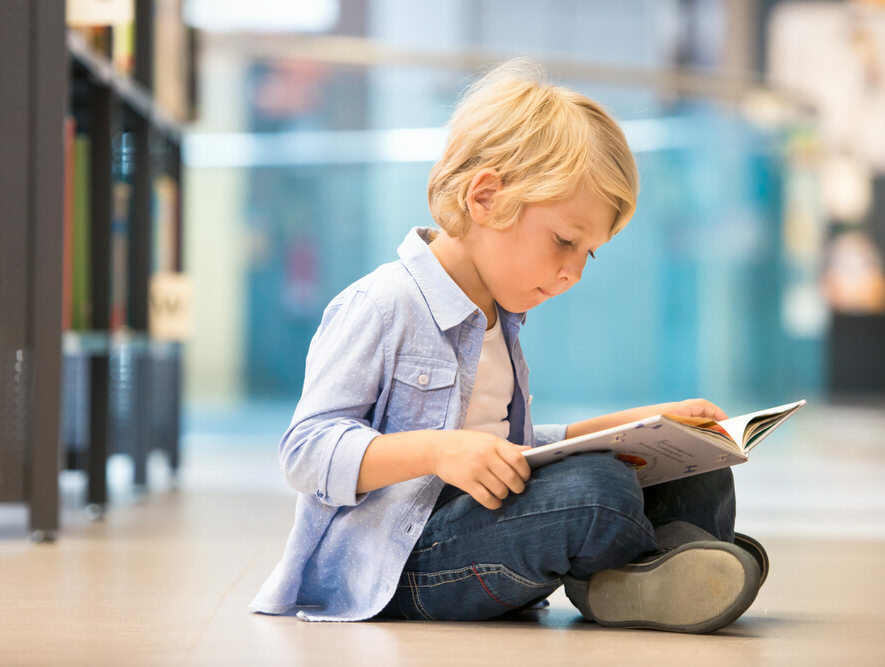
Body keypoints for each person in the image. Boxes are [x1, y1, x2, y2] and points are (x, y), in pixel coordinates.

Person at [250, 58, 767, 634]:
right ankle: (655, 570)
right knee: (597, 490)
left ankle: (663, 573)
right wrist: (439, 451)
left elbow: (503, 452)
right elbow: (306, 449)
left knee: (694, 467)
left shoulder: (500, 318)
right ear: (487, 198)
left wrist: (637, 428)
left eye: (587, 254)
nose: (574, 273)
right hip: (404, 567)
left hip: (482, 532)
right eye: (564, 241)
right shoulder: (381, 304)